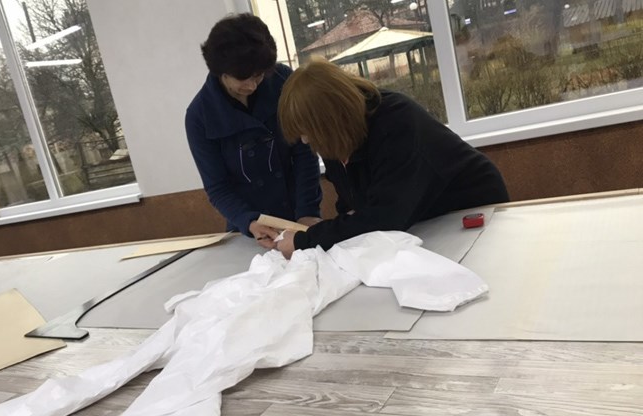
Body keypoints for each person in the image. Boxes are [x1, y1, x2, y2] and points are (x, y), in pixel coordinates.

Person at [276, 57, 509, 258]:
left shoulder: (396, 122)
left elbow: (384, 218)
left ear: (331, 120)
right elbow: (353, 205)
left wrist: (305, 241)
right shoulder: (333, 139)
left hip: (469, 209)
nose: (305, 140)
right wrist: (332, 230)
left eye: (309, 131)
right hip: (421, 218)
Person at [185, 14, 322, 248]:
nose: (251, 85)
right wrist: (249, 222)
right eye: (242, 78)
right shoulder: (200, 116)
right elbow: (218, 188)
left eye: (258, 75)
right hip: (249, 230)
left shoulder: (282, 80)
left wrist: (307, 212)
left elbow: (304, 153)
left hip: (298, 215)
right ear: (220, 71)